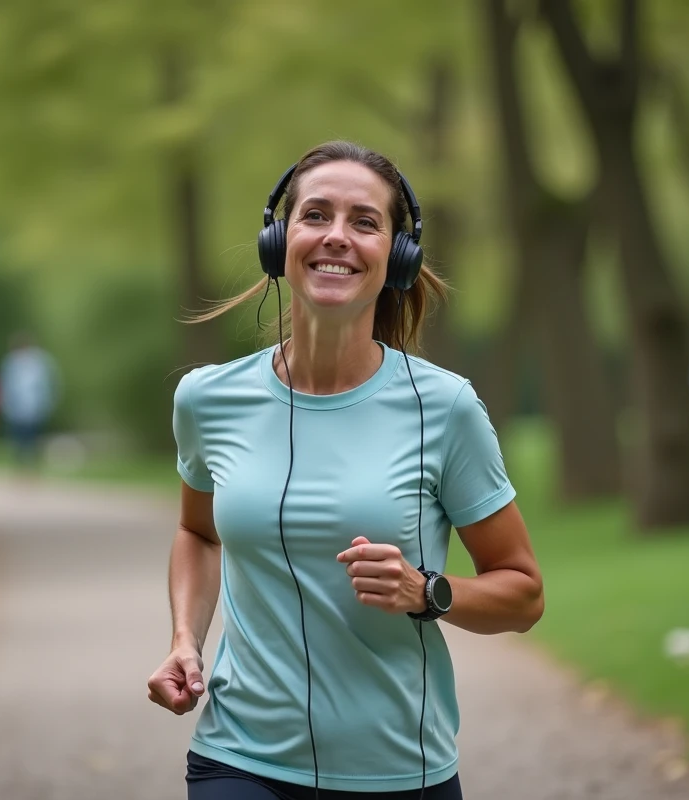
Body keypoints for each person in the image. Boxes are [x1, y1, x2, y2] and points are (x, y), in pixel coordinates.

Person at [146, 141, 545, 800]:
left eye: (364, 222)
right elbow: (199, 534)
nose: (337, 236)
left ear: (397, 255)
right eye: (316, 215)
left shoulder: (443, 409)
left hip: (399, 771)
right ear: (279, 240)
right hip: (238, 758)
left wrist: (426, 592)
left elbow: (524, 594)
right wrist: (185, 637)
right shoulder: (207, 399)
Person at [0, 332, 59, 469]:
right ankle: (21, 466)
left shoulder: (40, 361)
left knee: (34, 439)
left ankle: (32, 466)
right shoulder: (10, 362)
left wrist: (48, 404)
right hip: (16, 410)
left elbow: (49, 384)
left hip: (35, 408)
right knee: (18, 440)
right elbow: (6, 386)